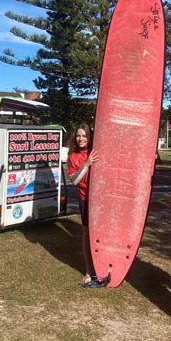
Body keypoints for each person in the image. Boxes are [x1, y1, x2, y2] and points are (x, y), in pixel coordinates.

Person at [67, 123, 106, 288]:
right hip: (85, 199)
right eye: (78, 136)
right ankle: (89, 271)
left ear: (89, 137)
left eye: (84, 136)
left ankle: (104, 268)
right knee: (86, 235)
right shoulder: (73, 156)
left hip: (101, 200)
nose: (80, 139)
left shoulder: (98, 152)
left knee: (101, 234)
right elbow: (74, 180)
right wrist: (87, 164)